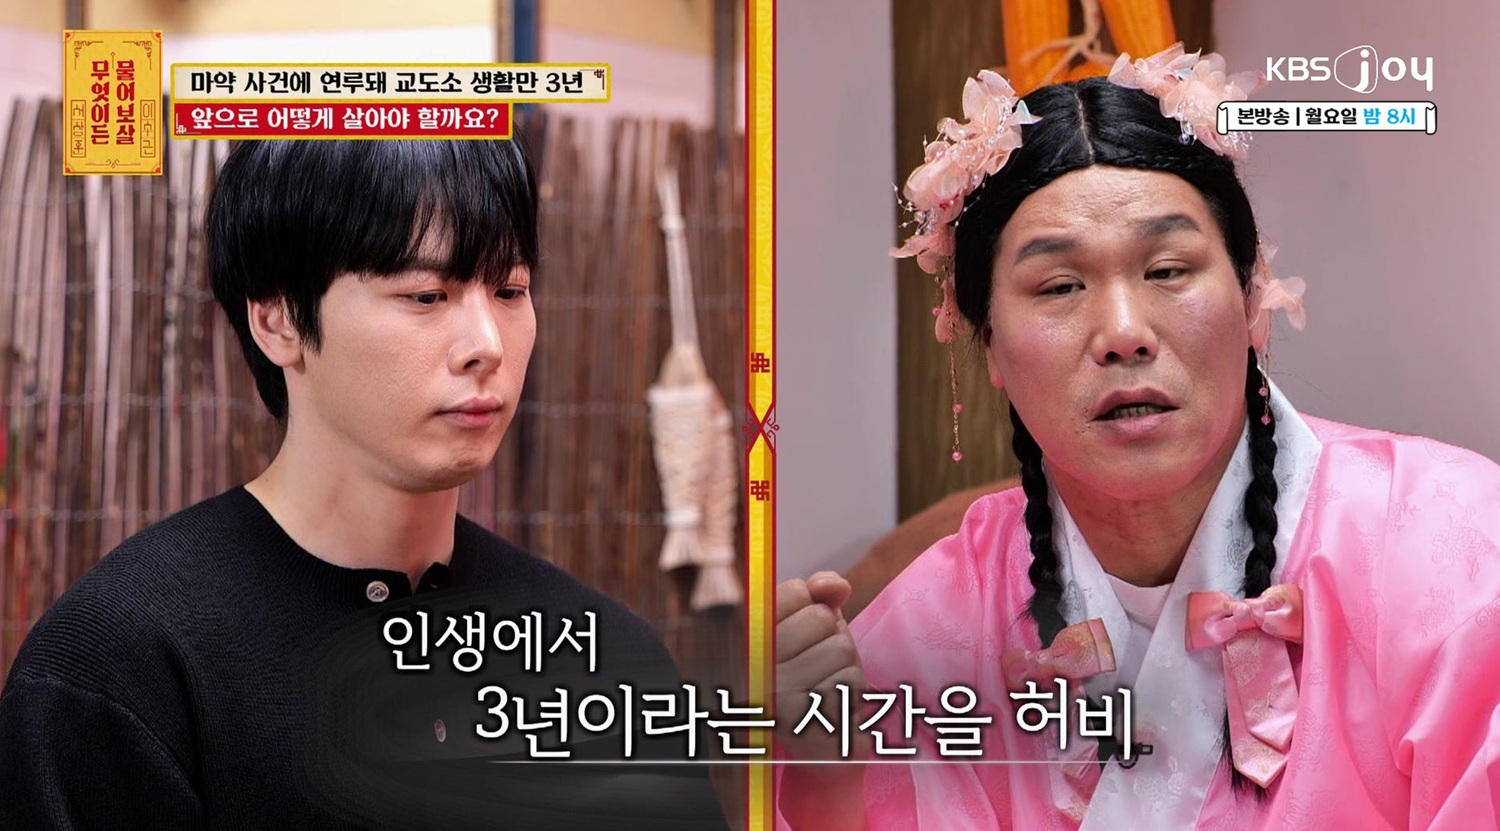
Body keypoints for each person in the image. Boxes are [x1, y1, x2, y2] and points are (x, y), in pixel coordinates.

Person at [775, 45, 1500, 830]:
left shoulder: (1454, 549)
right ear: (987, 344)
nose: (1123, 332)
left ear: (1251, 296)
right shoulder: (934, 624)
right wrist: (823, 786)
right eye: (1060, 285)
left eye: (1168, 270)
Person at [0, 140, 729, 830]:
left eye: (510, 289)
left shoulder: (604, 655)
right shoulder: (120, 667)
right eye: (426, 295)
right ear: (278, 319)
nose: (487, 345)